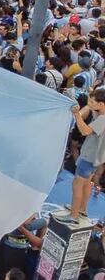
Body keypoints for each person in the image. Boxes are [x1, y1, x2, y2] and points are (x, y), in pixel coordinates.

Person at [69, 90, 105, 222]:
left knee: (77, 185)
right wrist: (92, 97)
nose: (89, 104)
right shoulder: (100, 113)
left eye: (92, 102)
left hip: (89, 157)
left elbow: (84, 131)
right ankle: (82, 209)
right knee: (87, 184)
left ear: (101, 104)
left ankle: (73, 215)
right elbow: (93, 110)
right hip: (96, 159)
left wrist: (77, 114)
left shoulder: (102, 119)